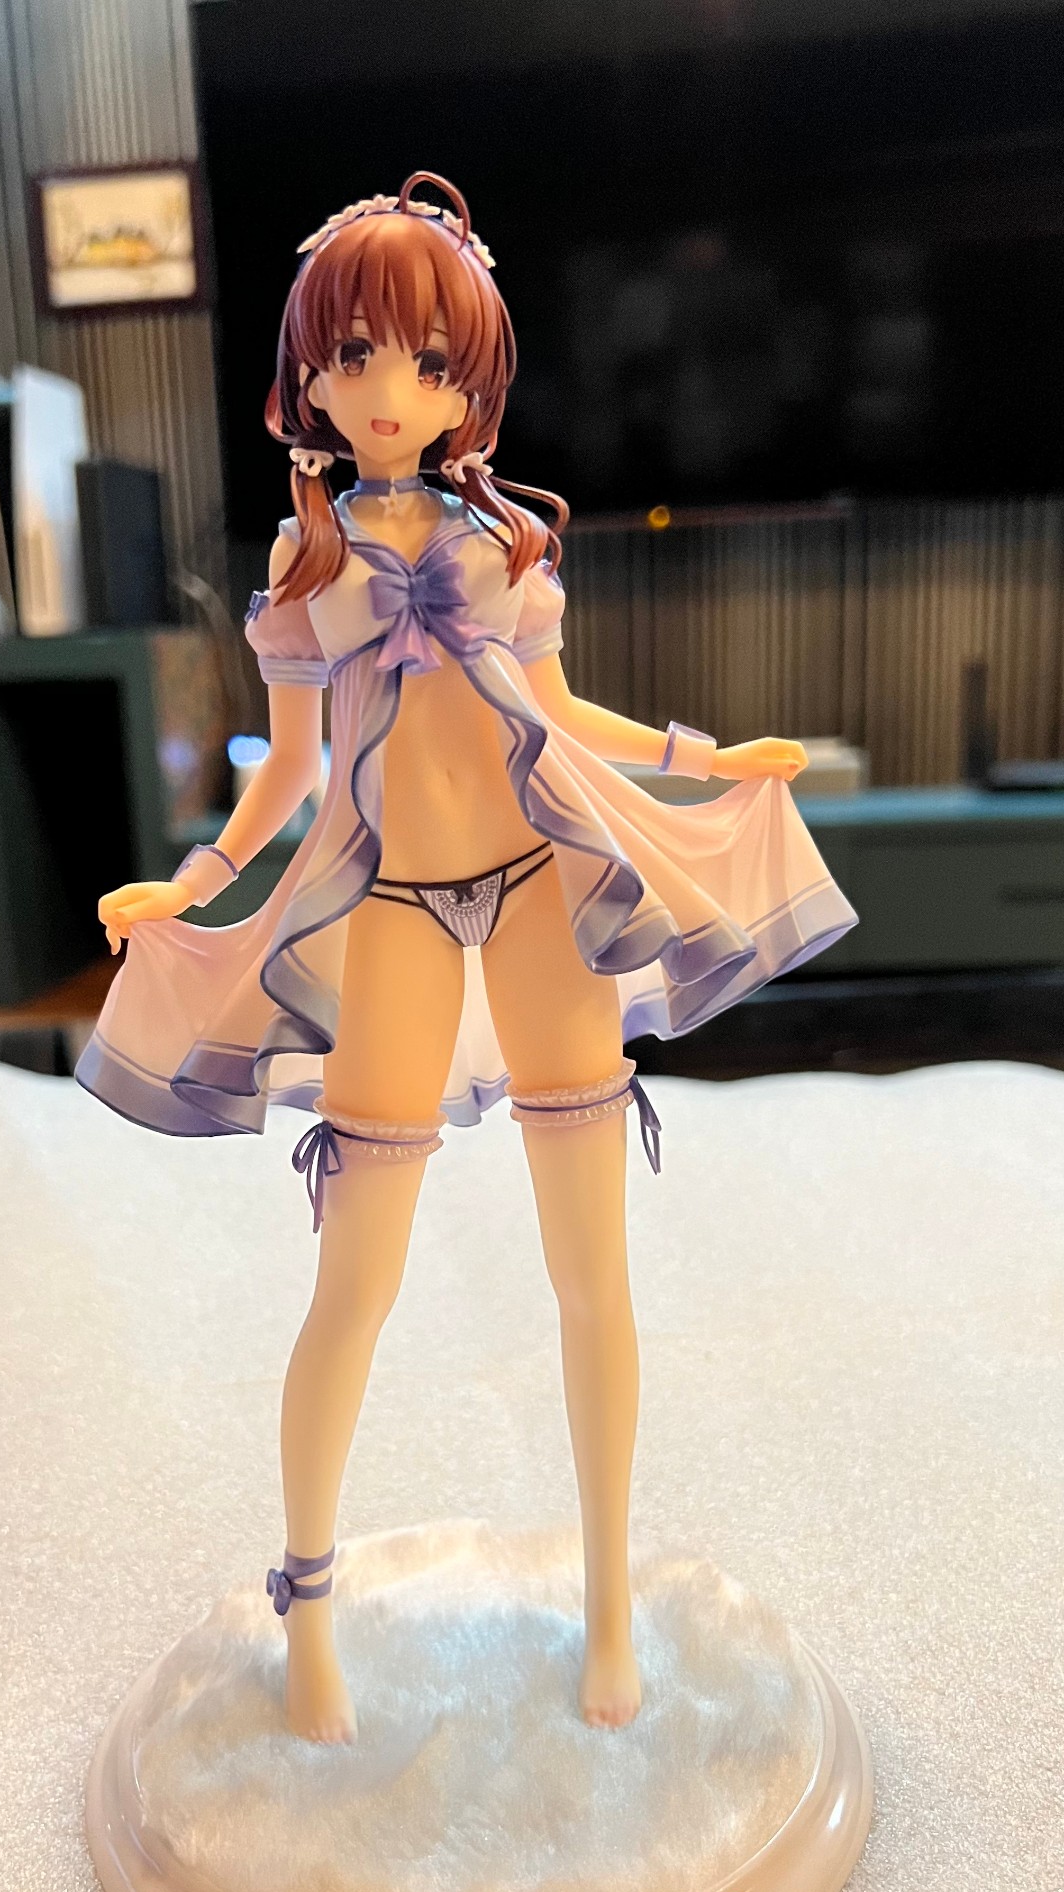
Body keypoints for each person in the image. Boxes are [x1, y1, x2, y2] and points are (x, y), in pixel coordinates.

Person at [77, 171, 857, 1745]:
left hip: (541, 882)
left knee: (591, 1273)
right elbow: (289, 776)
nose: (388, 390)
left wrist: (705, 758)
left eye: (428, 361)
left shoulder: (504, 543)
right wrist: (198, 882)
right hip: (386, 907)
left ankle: (612, 1606)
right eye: (354, 355)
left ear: (470, 385)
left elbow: (560, 717)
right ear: (307, 376)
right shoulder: (305, 566)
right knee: (355, 1279)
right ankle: (309, 1609)